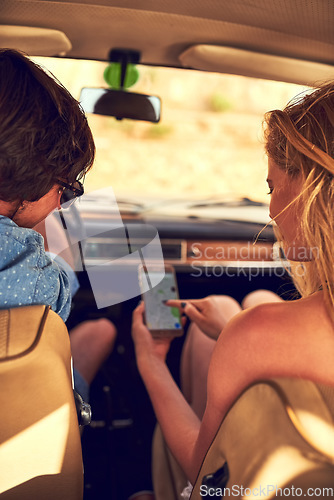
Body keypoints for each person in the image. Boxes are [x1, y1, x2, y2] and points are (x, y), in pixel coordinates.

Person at [131, 81, 334, 486]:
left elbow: (205, 477)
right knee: (256, 300)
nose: (272, 209)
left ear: (312, 191)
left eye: (272, 187)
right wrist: (235, 331)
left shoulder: (255, 333)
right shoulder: (256, 333)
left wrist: (151, 361)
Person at [0, 48, 116, 401]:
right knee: (102, 330)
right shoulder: (21, 261)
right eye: (66, 190)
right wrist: (60, 254)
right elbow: (56, 296)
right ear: (31, 176)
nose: (62, 205)